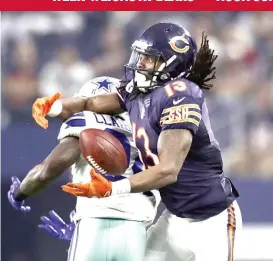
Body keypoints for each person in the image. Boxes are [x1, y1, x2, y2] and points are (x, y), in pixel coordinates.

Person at [32, 22, 242, 261]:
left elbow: (168, 171)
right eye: (140, 55)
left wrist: (113, 188)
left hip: (212, 221)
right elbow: (89, 103)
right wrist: (53, 106)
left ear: (173, 64)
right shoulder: (137, 92)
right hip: (173, 219)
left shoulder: (181, 95)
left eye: (149, 58)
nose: (140, 63)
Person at [8, 76, 160, 261]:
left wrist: (19, 193)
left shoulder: (86, 120)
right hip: (137, 230)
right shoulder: (146, 128)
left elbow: (46, 172)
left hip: (94, 223)